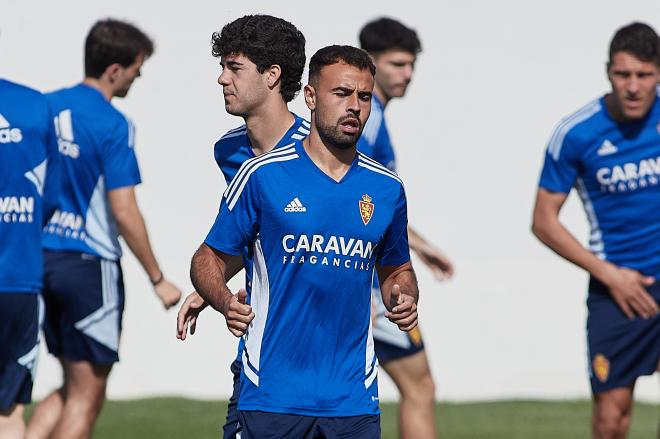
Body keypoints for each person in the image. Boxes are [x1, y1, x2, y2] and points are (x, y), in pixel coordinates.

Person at [190, 44, 419, 438]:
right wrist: (223, 300)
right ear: (311, 97)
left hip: (353, 399)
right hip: (272, 394)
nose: (354, 106)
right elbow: (208, 258)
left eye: (364, 96)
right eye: (341, 93)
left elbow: (397, 267)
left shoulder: (387, 188)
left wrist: (404, 294)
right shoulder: (261, 175)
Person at [26, 19, 182, 439]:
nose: (138, 76)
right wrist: (158, 277)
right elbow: (124, 210)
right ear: (115, 70)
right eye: (137, 68)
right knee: (88, 394)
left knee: (69, 383)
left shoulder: (42, 107)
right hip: (88, 266)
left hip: (38, 260)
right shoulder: (114, 124)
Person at [175, 14, 308, 438]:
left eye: (234, 68)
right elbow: (249, 233)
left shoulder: (319, 153)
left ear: (272, 76)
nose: (221, 79)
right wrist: (211, 288)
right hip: (259, 344)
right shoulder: (229, 150)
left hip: (318, 351)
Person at [532, 22, 660, 439]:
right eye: (624, 75)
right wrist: (610, 276)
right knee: (611, 418)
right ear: (608, 72)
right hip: (616, 287)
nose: (634, 87)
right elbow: (543, 221)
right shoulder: (577, 133)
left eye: (645, 75)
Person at [358, 17, 453, 438]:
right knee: (420, 386)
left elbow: (375, 206)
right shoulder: (368, 118)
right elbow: (350, 199)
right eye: (397, 64)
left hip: (371, 278)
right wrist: (367, 285)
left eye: (411, 64)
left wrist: (422, 245)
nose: (407, 74)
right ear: (372, 65)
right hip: (373, 283)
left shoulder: (375, 116)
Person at [0, 77, 61, 439]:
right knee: (8, 413)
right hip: (18, 276)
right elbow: (50, 196)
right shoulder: (34, 104)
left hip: (21, 276)